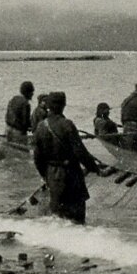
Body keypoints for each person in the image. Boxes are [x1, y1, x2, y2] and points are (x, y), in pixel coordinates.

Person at [32, 91, 101, 224]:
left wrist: (46, 175)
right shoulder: (67, 124)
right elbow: (80, 152)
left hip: (53, 176)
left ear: (48, 106)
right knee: (76, 218)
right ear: (64, 105)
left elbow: (37, 158)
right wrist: (95, 168)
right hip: (71, 175)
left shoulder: (40, 127)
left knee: (58, 217)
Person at [0, 80, 34, 159]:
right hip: (18, 133)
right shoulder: (26, 104)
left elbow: (8, 115)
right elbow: (25, 122)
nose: (33, 94)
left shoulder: (14, 99)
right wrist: (31, 127)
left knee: (5, 153)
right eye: (32, 92)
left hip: (7, 129)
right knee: (23, 155)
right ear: (28, 92)